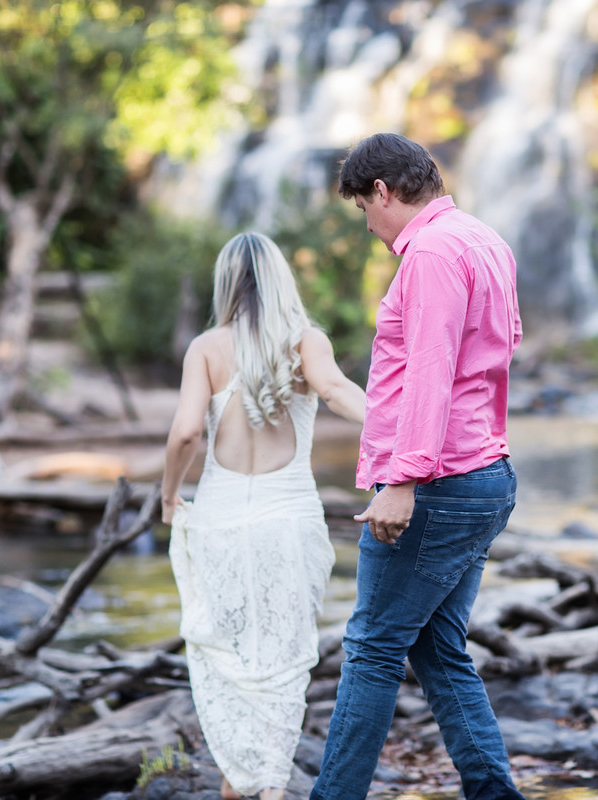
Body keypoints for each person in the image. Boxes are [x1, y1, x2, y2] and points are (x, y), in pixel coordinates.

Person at [310, 133, 525, 800]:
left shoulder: (431, 253)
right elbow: (494, 358)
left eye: (362, 209)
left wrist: (401, 480)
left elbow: (432, 373)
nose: (368, 225)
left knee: (373, 649)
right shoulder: (483, 238)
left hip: (438, 483)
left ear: (383, 191)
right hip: (484, 474)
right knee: (438, 650)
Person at [162, 232, 366, 800]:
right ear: (282, 278)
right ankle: (270, 784)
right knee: (282, 662)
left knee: (231, 659)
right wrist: (399, 434)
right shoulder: (306, 340)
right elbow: (335, 390)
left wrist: (167, 496)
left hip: (221, 522)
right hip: (289, 524)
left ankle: (240, 783)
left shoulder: (205, 347)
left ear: (225, 282)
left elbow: (184, 434)